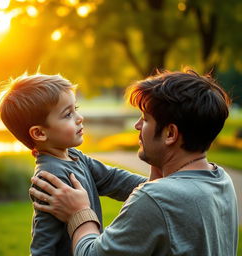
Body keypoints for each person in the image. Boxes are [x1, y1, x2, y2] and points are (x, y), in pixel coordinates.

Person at [30, 69, 239, 256]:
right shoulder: (221, 181)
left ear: (170, 134)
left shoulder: (156, 199)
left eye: (146, 119)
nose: (138, 125)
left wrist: (78, 212)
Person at [0, 74, 147, 256]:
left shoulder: (75, 156)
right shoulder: (49, 177)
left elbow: (113, 180)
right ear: (39, 133)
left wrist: (158, 186)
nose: (79, 118)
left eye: (75, 109)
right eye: (68, 114)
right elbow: (43, 240)